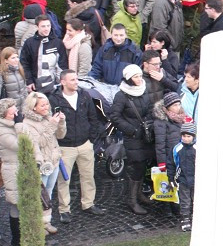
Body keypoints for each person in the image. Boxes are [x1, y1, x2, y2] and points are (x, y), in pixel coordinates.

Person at [49, 70, 105, 223]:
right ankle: (64, 209)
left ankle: (88, 203)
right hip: (65, 146)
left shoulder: (84, 95)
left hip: (85, 143)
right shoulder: (54, 100)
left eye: (76, 79)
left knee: (88, 176)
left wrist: (92, 139)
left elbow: (93, 118)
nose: (76, 82)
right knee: (64, 180)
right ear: (63, 82)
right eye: (72, 80)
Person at [110, 64, 156, 215]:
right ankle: (132, 199)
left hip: (144, 135)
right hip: (133, 136)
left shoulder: (143, 90)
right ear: (129, 78)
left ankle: (139, 194)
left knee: (143, 166)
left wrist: (148, 123)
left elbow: (150, 108)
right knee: (136, 166)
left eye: (140, 76)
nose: (139, 79)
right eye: (136, 77)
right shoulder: (121, 95)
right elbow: (115, 117)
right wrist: (132, 130)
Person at [18, 92, 67, 234]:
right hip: (42, 166)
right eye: (43, 105)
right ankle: (37, 225)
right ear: (33, 107)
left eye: (47, 104)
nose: (46, 107)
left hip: (54, 162)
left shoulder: (47, 118)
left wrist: (61, 123)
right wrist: (52, 125)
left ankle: (46, 222)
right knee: (40, 195)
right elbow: (38, 143)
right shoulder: (27, 124)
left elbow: (60, 136)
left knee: (49, 193)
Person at [0, 100, 22, 246]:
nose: (16, 113)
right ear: (4, 114)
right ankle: (16, 243)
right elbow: (18, 145)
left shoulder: (10, 125)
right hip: (12, 170)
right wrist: (20, 125)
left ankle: (23, 239)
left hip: (20, 167)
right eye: (13, 111)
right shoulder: (1, 130)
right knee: (15, 205)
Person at [19, 14, 67, 95]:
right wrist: (29, 81)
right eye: (43, 26)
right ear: (37, 27)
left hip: (55, 84)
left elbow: (63, 64)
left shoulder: (57, 42)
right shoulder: (29, 43)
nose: (46, 29)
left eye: (48, 26)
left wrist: (62, 82)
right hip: (36, 84)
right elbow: (24, 63)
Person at [172, 120, 196, 231]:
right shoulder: (177, 149)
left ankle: (197, 217)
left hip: (196, 179)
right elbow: (171, 163)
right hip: (183, 179)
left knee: (196, 199)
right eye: (184, 136)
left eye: (188, 136)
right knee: (184, 200)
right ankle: (185, 218)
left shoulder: (198, 148)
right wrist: (171, 177)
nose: (186, 138)